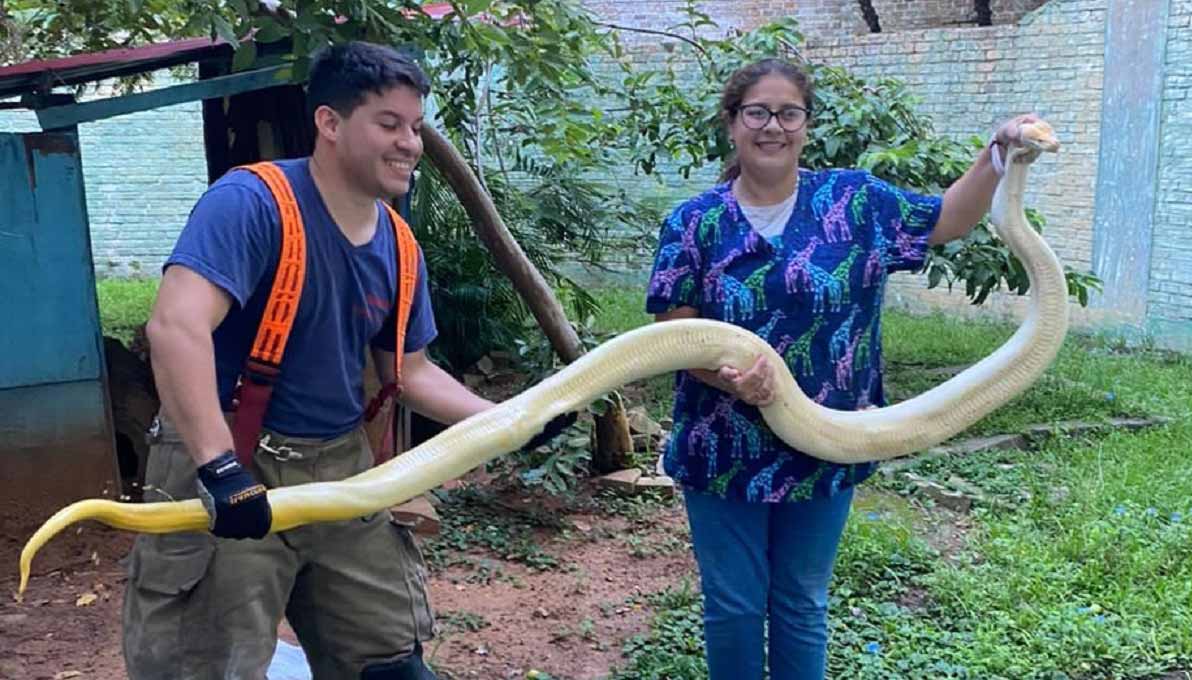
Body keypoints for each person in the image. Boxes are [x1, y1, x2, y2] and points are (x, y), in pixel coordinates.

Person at [123, 41, 570, 680]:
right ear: (330, 124)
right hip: (231, 459)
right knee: (204, 665)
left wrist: (509, 422)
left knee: (389, 663)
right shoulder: (252, 203)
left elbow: (410, 374)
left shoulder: (399, 243)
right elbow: (175, 326)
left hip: (341, 470)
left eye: (415, 127)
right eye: (388, 124)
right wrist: (218, 466)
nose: (410, 143)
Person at [645, 58, 1047, 679]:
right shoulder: (694, 221)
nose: (772, 126)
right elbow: (674, 328)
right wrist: (730, 376)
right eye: (756, 112)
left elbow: (946, 219)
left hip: (827, 441)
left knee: (802, 603)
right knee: (732, 605)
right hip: (721, 444)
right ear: (732, 123)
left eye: (788, 113)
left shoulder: (854, 201)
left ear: (806, 125)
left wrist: (996, 152)